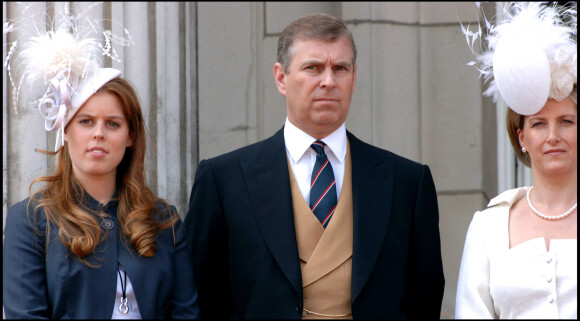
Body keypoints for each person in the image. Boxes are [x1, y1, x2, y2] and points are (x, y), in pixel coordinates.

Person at [184, 13, 444, 319]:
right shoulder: (223, 181)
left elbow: (424, 299)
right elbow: (197, 298)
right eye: (313, 68)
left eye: (340, 69)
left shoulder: (407, 184)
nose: (329, 81)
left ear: (354, 77)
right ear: (281, 78)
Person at [2, 15, 200, 319]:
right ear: (66, 131)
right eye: (86, 121)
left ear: (130, 136)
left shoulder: (164, 221)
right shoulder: (31, 220)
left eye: (113, 123)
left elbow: (185, 313)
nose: (99, 133)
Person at [456, 2, 577, 319]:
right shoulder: (489, 226)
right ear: (521, 137)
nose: (553, 135)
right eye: (538, 124)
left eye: (566, 121)